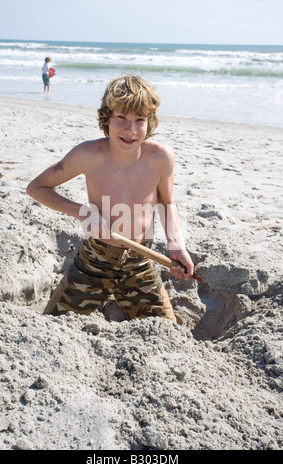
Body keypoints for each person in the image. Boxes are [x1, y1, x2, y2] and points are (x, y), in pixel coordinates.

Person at [26, 75, 194, 324]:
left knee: (167, 330)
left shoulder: (160, 157)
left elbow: (167, 203)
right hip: (95, 260)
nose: (131, 129)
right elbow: (37, 187)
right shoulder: (88, 154)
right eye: (121, 118)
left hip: (140, 262)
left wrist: (176, 245)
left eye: (140, 120)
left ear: (150, 121)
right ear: (106, 118)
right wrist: (82, 212)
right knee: (51, 325)